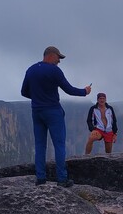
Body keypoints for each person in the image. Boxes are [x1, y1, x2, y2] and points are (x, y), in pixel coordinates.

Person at [21, 45, 91, 187]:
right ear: (51, 55)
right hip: (53, 111)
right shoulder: (54, 71)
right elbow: (69, 90)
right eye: (58, 58)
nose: (59, 61)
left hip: (37, 111)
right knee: (59, 145)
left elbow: (24, 92)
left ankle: (40, 178)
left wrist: (37, 97)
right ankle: (62, 179)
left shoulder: (31, 70)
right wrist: (85, 91)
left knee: (40, 145)